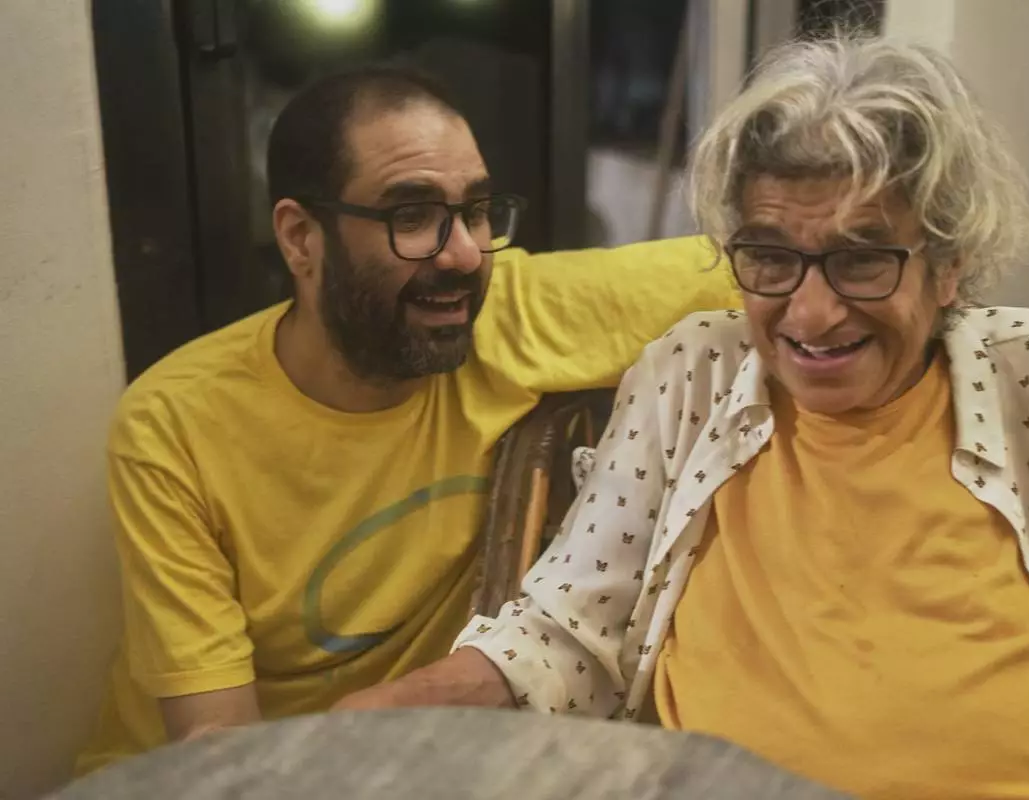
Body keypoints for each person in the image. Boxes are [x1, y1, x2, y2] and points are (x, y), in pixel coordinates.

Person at [347, 38, 1029, 800]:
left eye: (861, 260)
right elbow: (566, 635)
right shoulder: (692, 376)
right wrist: (370, 720)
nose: (811, 313)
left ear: (949, 265)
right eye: (770, 257)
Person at [74, 66, 741, 773]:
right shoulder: (174, 426)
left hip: (410, 763)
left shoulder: (510, 313)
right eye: (412, 216)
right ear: (301, 238)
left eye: (476, 210)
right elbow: (222, 749)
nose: (464, 254)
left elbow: (766, 263)